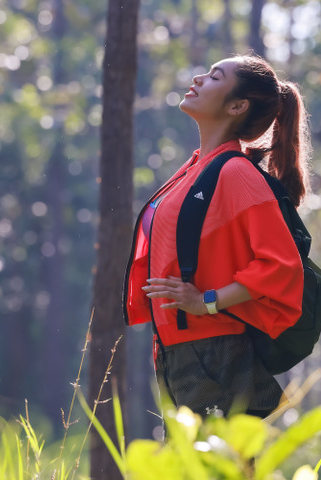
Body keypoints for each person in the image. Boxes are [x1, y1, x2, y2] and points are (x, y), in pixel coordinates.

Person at [122, 54, 311, 419]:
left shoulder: (236, 173)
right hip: (177, 348)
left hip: (214, 350)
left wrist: (207, 301)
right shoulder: (195, 170)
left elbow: (281, 264)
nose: (197, 78)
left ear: (237, 105)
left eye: (213, 77)